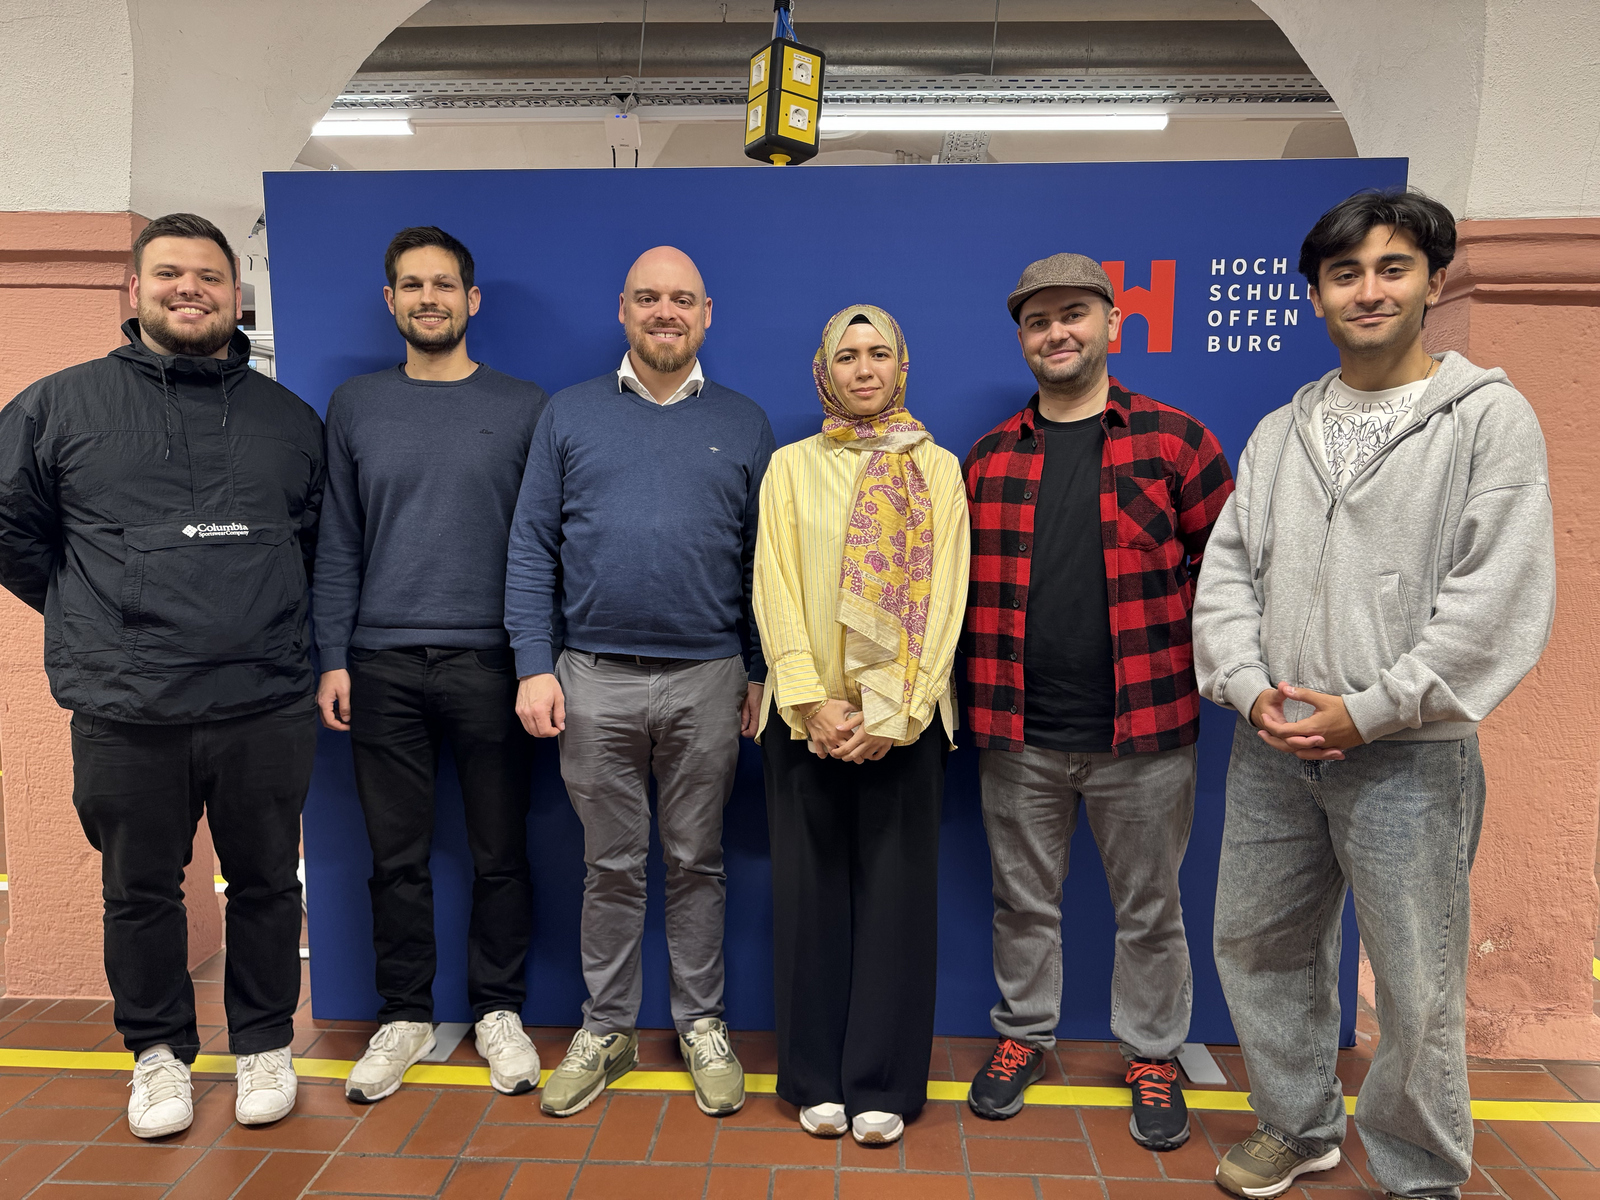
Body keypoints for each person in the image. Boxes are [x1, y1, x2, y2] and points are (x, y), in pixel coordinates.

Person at [1193, 189, 1554, 1199]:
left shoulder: (1486, 421)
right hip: (1272, 749)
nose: (1368, 290)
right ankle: (1297, 1125)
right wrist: (1248, 688)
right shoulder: (1282, 431)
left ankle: (1416, 1168)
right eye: (1345, 273)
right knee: (1259, 947)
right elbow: (1228, 575)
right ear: (1314, 295)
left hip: (1408, 756)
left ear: (1433, 283)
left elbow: (1496, 599)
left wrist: (1376, 707)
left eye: (1392, 268)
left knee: (1415, 979)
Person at [0, 212, 324, 1137]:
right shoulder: (59, 406)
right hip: (126, 707)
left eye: (211, 277)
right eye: (170, 274)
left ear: (235, 295)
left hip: (263, 699)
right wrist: (87, 606)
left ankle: (263, 1041)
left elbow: (313, 545)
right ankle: (158, 1056)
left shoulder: (287, 418)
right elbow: (10, 527)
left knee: (267, 882)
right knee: (139, 890)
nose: (192, 289)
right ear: (133, 292)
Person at [962, 253, 1234, 1149]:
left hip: (1145, 734)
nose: (1058, 333)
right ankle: (1023, 1038)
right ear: (1023, 340)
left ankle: (1151, 1053)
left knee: (1151, 907)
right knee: (1022, 902)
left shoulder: (1176, 443)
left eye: (1074, 314)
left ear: (1113, 323)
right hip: (1018, 732)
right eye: (1039, 322)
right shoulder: (991, 459)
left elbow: (1227, 579)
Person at [506, 246, 774, 1119]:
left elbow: (759, 563)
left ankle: (701, 1022)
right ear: (622, 309)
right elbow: (530, 548)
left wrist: (761, 668)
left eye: (683, 300)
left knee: (698, 861)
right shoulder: (569, 415)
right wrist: (534, 665)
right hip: (591, 679)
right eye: (649, 298)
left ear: (708, 315)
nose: (667, 312)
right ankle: (608, 1027)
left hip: (709, 678)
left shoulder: (743, 422)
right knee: (610, 865)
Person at [313, 226, 549, 1103]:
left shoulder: (527, 406)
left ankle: (498, 1011)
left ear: (471, 299)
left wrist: (535, 659)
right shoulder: (356, 405)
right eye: (411, 284)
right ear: (391, 301)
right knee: (395, 857)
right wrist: (331, 655)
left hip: (492, 663)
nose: (428, 298)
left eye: (443, 284)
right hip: (378, 666)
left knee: (501, 852)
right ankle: (406, 1014)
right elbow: (336, 541)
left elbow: (541, 548)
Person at [753, 304, 968, 1147]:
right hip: (806, 719)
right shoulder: (787, 469)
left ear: (903, 367)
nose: (865, 368)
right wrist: (810, 700)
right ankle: (813, 1077)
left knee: (896, 904)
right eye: (848, 355)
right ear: (823, 371)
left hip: (904, 725)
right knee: (809, 903)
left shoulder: (938, 470)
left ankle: (880, 1083)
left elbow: (947, 595)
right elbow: (771, 588)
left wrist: (894, 712)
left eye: (880, 353)